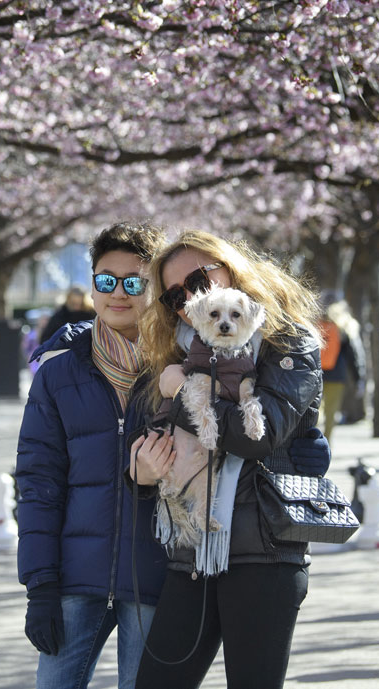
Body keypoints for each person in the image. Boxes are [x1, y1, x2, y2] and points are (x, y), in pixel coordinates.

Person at [127, 230, 328, 689]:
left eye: (200, 276)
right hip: (192, 550)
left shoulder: (289, 342)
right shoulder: (182, 349)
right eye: (176, 294)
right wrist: (138, 469)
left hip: (264, 554)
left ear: (231, 267)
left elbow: (256, 438)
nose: (191, 296)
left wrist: (182, 393)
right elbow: (157, 437)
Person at [15, 222, 169, 689]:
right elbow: (38, 483)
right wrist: (40, 585)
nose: (117, 293)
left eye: (133, 281)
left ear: (154, 287)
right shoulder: (57, 374)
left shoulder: (180, 371)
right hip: (73, 579)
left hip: (155, 578)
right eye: (106, 280)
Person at [318, 298, 366, 442]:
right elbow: (355, 355)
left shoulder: (318, 325)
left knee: (314, 411)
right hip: (336, 376)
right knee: (331, 413)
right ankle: (326, 444)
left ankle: (310, 442)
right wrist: (359, 378)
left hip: (315, 374)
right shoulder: (345, 327)